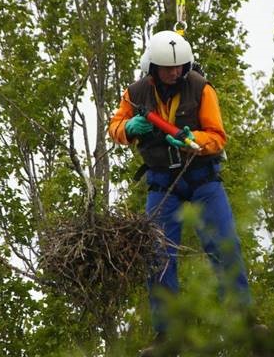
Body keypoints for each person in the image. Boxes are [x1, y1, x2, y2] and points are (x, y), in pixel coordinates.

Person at [108, 30, 251, 355]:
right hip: (162, 184)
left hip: (203, 180)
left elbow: (218, 135)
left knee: (224, 244)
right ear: (154, 68)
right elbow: (114, 126)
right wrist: (128, 129)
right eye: (168, 68)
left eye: (180, 66)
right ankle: (167, 336)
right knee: (157, 256)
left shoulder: (201, 88)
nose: (175, 72)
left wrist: (194, 139)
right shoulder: (136, 93)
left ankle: (243, 318)